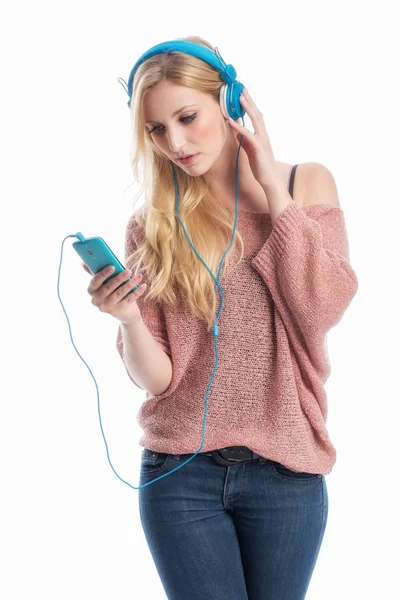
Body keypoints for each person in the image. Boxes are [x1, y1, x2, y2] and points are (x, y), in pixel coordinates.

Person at [83, 35, 359, 600]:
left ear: (231, 103)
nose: (175, 143)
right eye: (157, 130)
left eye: (187, 118)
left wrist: (271, 192)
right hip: (179, 473)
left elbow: (322, 308)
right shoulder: (154, 223)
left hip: (288, 468)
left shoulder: (306, 184)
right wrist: (129, 319)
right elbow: (159, 379)